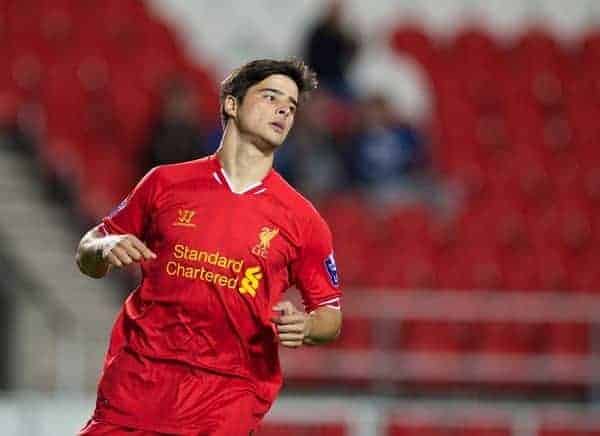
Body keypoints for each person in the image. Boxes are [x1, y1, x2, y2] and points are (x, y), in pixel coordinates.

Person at [75, 59, 343, 436]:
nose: (284, 109)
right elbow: (88, 250)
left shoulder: (303, 219)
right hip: (138, 387)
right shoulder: (164, 183)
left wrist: (308, 326)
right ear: (231, 104)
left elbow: (331, 316)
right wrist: (104, 248)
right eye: (270, 97)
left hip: (224, 400)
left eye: (291, 105)